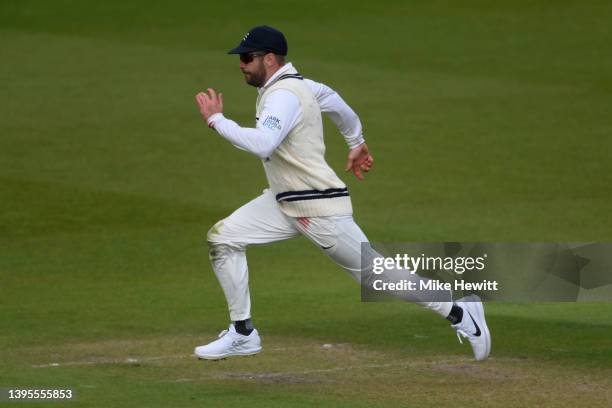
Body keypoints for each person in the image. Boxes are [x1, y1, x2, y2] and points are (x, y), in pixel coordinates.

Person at [194, 25, 491, 361]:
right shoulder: (300, 86)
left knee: (375, 275)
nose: (241, 64)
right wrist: (356, 141)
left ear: (271, 59)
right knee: (223, 238)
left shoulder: (284, 96)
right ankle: (243, 333)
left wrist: (217, 120)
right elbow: (336, 102)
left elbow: (264, 142)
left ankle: (459, 311)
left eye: (247, 58)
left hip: (316, 207)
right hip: (283, 199)